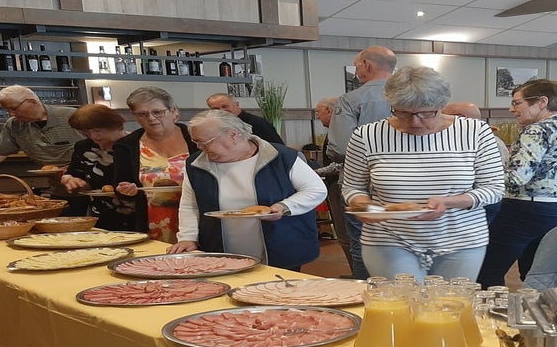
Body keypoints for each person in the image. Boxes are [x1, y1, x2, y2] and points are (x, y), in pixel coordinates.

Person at [340, 66, 504, 281]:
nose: (414, 122)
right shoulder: (367, 135)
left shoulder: (476, 132)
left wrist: (449, 202)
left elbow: (494, 188)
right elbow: (353, 187)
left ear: (441, 105)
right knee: (402, 300)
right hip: (389, 240)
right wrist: (366, 207)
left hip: (461, 240)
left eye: (426, 113)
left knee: (450, 301)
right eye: (403, 112)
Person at [169, 110, 326, 271]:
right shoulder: (196, 164)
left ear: (233, 135)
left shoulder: (281, 156)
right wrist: (187, 237)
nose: (201, 148)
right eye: (197, 142)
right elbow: (190, 205)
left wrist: (284, 207)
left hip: (281, 246)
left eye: (206, 142)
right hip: (220, 250)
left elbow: (315, 190)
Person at [476, 79, 557, 288]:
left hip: (525, 210)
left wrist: (480, 175)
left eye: (516, 103)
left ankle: (491, 308)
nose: (512, 109)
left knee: (487, 271)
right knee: (538, 272)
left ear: (542, 102)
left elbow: (517, 177)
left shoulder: (536, 130)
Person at [327, 45, 398, 279]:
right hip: (406, 187)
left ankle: (367, 292)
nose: (357, 69)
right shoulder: (412, 98)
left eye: (356, 65)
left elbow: (340, 148)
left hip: (361, 186)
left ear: (366, 65)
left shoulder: (351, 100)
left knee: (362, 243)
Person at [112, 87, 198, 242]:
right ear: (134, 116)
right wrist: (126, 189)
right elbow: (120, 185)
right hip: (152, 223)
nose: (151, 118)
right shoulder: (125, 146)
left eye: (158, 112)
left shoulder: (196, 139)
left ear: (173, 111)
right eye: (142, 114)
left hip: (196, 221)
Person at [59, 104, 134, 230]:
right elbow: (74, 172)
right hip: (101, 216)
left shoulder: (136, 145)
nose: (93, 137)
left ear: (115, 125)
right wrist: (70, 180)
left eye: (97, 131)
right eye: (86, 133)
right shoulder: (84, 147)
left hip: (137, 214)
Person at [312, 95, 351, 263]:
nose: (317, 116)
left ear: (329, 110)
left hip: (340, 185)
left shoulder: (341, 132)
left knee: (345, 234)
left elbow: (341, 164)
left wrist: (313, 172)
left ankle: (358, 274)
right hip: (336, 184)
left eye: (318, 112)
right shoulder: (337, 131)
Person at [206, 92, 283, 145]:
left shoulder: (258, 123)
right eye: (216, 109)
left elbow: (278, 147)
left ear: (237, 104)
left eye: (225, 106)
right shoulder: (214, 126)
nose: (221, 110)